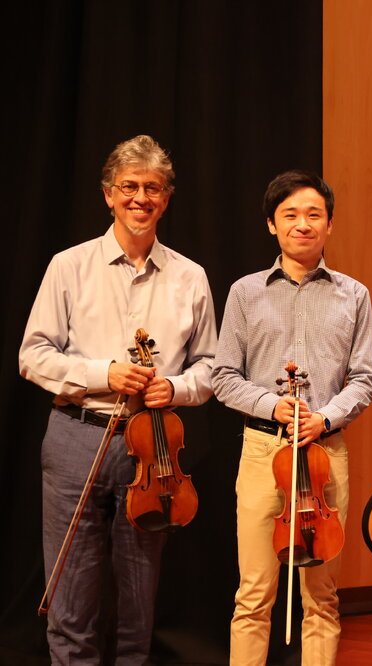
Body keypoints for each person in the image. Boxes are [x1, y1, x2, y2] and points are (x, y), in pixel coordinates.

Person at [19, 135, 217, 664]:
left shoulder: (191, 276)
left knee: (139, 596)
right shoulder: (69, 265)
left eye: (153, 188)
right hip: (76, 437)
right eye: (129, 186)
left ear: (167, 199)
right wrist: (102, 373)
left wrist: (173, 387)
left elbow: (211, 367)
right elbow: (32, 354)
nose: (140, 198)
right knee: (72, 596)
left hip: (152, 448)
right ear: (108, 194)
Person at [212, 170, 372, 665]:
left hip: (326, 452)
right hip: (264, 450)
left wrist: (323, 419)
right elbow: (223, 376)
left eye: (314, 215)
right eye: (291, 215)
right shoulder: (245, 292)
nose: (302, 224)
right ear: (271, 225)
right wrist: (273, 405)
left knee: (321, 597)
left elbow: (364, 379)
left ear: (329, 225)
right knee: (254, 594)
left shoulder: (355, 295)